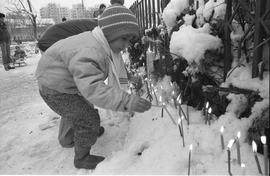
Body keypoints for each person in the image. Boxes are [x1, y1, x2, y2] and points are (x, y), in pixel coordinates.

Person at [36, 5, 152, 170]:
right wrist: (126, 100)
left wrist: (129, 78)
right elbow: (93, 89)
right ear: (111, 34)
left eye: (129, 40)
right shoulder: (91, 50)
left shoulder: (102, 43)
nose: (127, 45)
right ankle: (82, 157)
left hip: (62, 82)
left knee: (77, 110)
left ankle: (72, 137)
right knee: (88, 118)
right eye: (124, 39)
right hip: (55, 88)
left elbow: (113, 67)